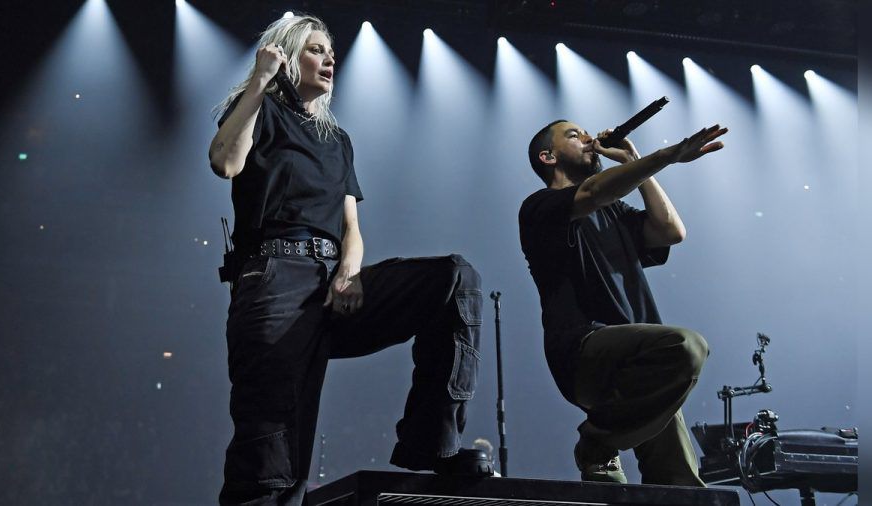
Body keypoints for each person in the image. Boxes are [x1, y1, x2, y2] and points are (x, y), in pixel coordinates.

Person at [209, 14, 491, 506]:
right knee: (274, 451)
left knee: (454, 278)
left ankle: (434, 443)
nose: (329, 58)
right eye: (315, 49)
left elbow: (351, 226)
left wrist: (350, 271)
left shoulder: (337, 139)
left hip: (333, 280)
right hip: (274, 278)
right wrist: (259, 79)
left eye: (331, 52)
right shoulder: (261, 110)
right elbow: (225, 162)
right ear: (286, 56)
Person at [518, 120, 728, 486]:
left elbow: (670, 232)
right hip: (584, 349)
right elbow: (594, 192)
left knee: (679, 484)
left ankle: (607, 451)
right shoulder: (540, 207)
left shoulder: (614, 211)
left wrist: (634, 159)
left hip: (643, 362)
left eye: (586, 132)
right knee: (686, 346)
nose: (587, 138)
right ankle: (597, 442)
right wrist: (668, 156)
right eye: (574, 135)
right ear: (548, 157)